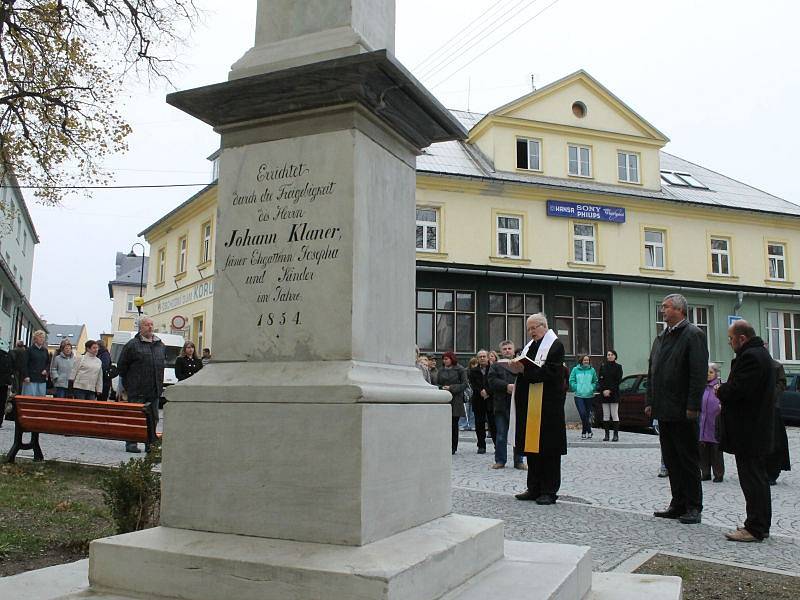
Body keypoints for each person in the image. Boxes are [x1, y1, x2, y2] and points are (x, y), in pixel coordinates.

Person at [646, 293, 708, 525]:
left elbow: (697, 373)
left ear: (680, 310)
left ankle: (693, 505)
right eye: (662, 307)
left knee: (687, 459)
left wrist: (693, 405)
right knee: (671, 458)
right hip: (663, 408)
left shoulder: (693, 335)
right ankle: (678, 502)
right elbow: (653, 371)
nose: (663, 311)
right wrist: (650, 401)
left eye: (667, 307)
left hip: (683, 409)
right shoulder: (661, 337)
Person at [716, 320, 775, 542]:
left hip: (750, 429)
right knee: (756, 478)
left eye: (731, 339)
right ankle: (760, 525)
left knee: (752, 480)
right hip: (754, 428)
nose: (730, 343)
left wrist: (721, 390)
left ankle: (755, 527)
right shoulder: (761, 354)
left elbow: (739, 390)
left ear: (742, 338)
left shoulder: (751, 357)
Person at [507, 314, 567, 505]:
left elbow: (551, 372)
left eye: (534, 328)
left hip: (547, 407)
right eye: (529, 329)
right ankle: (533, 488)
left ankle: (549, 490)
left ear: (544, 326)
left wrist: (525, 371)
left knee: (548, 449)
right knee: (531, 447)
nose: (531, 332)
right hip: (530, 406)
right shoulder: (529, 347)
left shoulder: (555, 346)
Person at [117, 317, 166, 453]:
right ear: (140, 327)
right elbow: (122, 366)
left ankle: (150, 443)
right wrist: (129, 384)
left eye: (151, 324)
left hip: (154, 390)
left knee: (153, 418)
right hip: (137, 390)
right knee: (135, 418)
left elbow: (162, 365)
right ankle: (131, 443)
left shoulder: (160, 345)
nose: (150, 327)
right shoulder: (132, 345)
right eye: (146, 325)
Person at [487, 339, 526, 470]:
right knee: (501, 434)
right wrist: (506, 386)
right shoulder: (495, 366)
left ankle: (519, 461)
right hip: (501, 404)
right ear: (501, 351)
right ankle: (500, 460)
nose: (507, 351)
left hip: (517, 404)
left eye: (509, 348)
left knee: (518, 433)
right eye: (505, 349)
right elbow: (491, 381)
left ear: (513, 350)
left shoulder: (520, 364)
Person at [434, 351, 467, 454]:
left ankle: (453, 446)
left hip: (456, 399)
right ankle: (443, 444)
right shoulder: (441, 370)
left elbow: (464, 384)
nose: (445, 361)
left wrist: (451, 388)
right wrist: (441, 388)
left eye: (447, 359)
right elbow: (436, 383)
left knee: (454, 424)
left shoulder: (460, 369)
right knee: (444, 424)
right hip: (443, 398)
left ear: (452, 359)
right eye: (444, 359)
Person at [765, 355, 791, 485]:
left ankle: (772, 472)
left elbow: (781, 384)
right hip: (757, 410)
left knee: (775, 441)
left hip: (773, 409)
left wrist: (770, 394)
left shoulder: (776, 365)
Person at [699, 363, 724, 482]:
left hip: (715, 422)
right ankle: (705, 472)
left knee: (716, 450)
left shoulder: (718, 387)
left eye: (711, 372)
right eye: (707, 373)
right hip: (703, 423)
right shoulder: (703, 387)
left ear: (716, 373)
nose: (708, 375)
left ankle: (718, 473)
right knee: (703, 449)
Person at [468, 349, 494, 454]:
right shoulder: (473, 371)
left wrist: (487, 391)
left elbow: (493, 382)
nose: (482, 358)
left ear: (487, 357)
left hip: (491, 399)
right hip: (478, 400)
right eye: (480, 357)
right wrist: (481, 391)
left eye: (484, 356)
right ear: (477, 359)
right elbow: (473, 384)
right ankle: (481, 445)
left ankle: (497, 445)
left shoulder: (493, 368)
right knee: (479, 424)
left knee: (493, 423)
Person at [569, 355, 597, 440]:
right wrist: (575, 387)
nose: (586, 362)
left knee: (587, 415)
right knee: (583, 413)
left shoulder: (592, 370)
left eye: (587, 360)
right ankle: (589, 430)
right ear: (581, 361)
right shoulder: (575, 369)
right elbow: (571, 380)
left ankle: (584, 432)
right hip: (579, 396)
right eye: (585, 360)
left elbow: (595, 381)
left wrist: (591, 388)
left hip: (589, 396)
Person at [598, 349, 623, 442]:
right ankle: (606, 435)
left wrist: (610, 390)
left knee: (614, 414)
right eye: (608, 355)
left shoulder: (618, 367)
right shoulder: (603, 366)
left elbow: (618, 380)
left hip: (614, 393)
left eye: (611, 354)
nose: (609, 356)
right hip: (604, 394)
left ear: (615, 356)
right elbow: (600, 379)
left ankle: (615, 435)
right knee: (606, 415)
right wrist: (604, 390)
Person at [22, 330, 50, 397]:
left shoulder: (45, 351)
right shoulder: (29, 350)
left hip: (41, 379)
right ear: (35, 339)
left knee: (40, 399)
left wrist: (46, 370)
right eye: (40, 337)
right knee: (29, 398)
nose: (41, 339)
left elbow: (48, 363)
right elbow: (24, 364)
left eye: (43, 337)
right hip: (31, 379)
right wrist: (26, 376)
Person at [0, 344, 13, 428]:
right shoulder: (8, 355)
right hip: (4, 382)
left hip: (4, 382)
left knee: (2, 402)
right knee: (2, 402)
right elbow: (10, 370)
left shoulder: (7, 355)